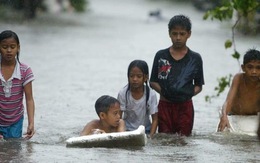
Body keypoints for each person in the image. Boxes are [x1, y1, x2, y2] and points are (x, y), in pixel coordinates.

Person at [150, 15, 204, 136]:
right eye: (174, 34)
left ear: (189, 34)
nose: (178, 38)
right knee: (164, 140)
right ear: (169, 34)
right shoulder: (161, 56)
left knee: (183, 140)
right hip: (165, 106)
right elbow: (153, 81)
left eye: (182, 34)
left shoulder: (195, 58)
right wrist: (166, 92)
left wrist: (185, 94)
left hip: (185, 107)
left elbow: (199, 86)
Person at [0, 30, 35, 139]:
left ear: (18, 48)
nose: (9, 50)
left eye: (12, 47)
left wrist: (31, 123)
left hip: (16, 121)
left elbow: (29, 99)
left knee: (13, 149)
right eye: (5, 47)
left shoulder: (25, 71)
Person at [217, 49, 260, 132]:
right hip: (234, 115)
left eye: (258, 68)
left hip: (254, 118)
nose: (254, 72)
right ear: (243, 68)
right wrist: (224, 116)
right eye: (250, 67)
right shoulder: (239, 79)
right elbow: (228, 101)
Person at [117, 60, 158, 138]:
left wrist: (151, 137)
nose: (135, 79)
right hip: (127, 130)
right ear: (128, 77)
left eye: (139, 76)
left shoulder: (151, 94)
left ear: (145, 78)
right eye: (131, 76)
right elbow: (118, 117)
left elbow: (155, 119)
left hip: (145, 130)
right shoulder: (123, 93)